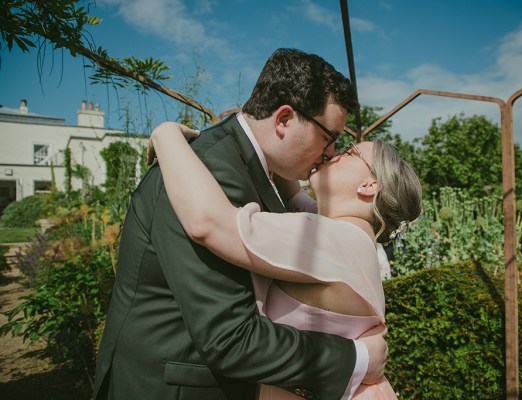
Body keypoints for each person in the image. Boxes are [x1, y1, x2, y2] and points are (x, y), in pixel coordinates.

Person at [93, 48, 389, 400]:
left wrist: (164, 133)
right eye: (328, 137)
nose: (330, 152)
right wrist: (356, 359)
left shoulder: (259, 169)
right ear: (283, 119)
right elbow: (230, 337)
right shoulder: (205, 172)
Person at [146, 122, 423, 399]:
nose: (332, 152)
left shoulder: (332, 240)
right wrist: (259, 129)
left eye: (350, 151)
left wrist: (165, 135)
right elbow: (294, 195)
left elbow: (210, 224)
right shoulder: (356, 240)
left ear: (368, 185)